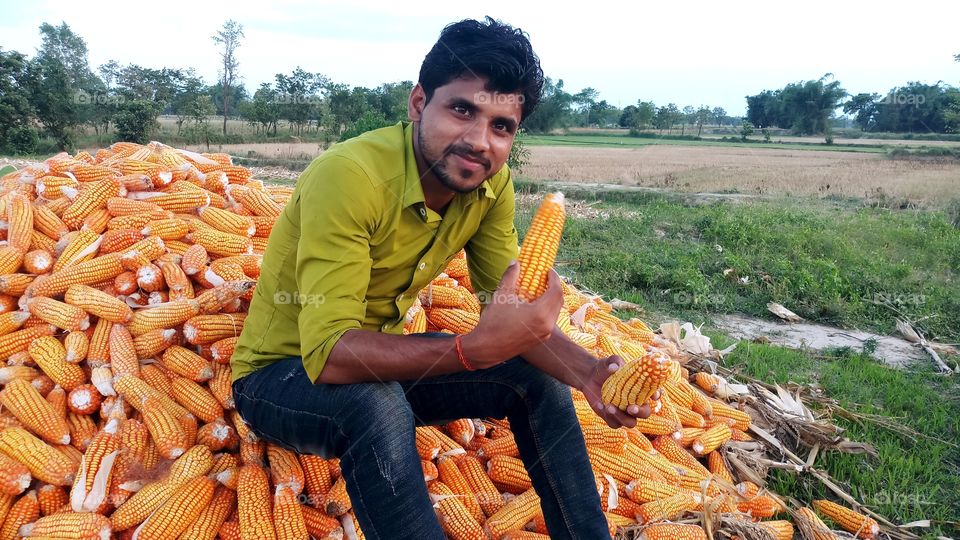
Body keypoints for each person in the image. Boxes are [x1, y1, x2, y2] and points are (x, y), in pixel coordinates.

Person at [230, 16, 648, 539]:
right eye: (462, 110)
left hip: (376, 363)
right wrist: (471, 350)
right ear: (418, 103)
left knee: (535, 377)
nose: (479, 141)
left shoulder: (492, 188)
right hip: (282, 377)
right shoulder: (351, 177)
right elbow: (330, 353)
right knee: (373, 401)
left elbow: (512, 316)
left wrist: (588, 373)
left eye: (502, 127)